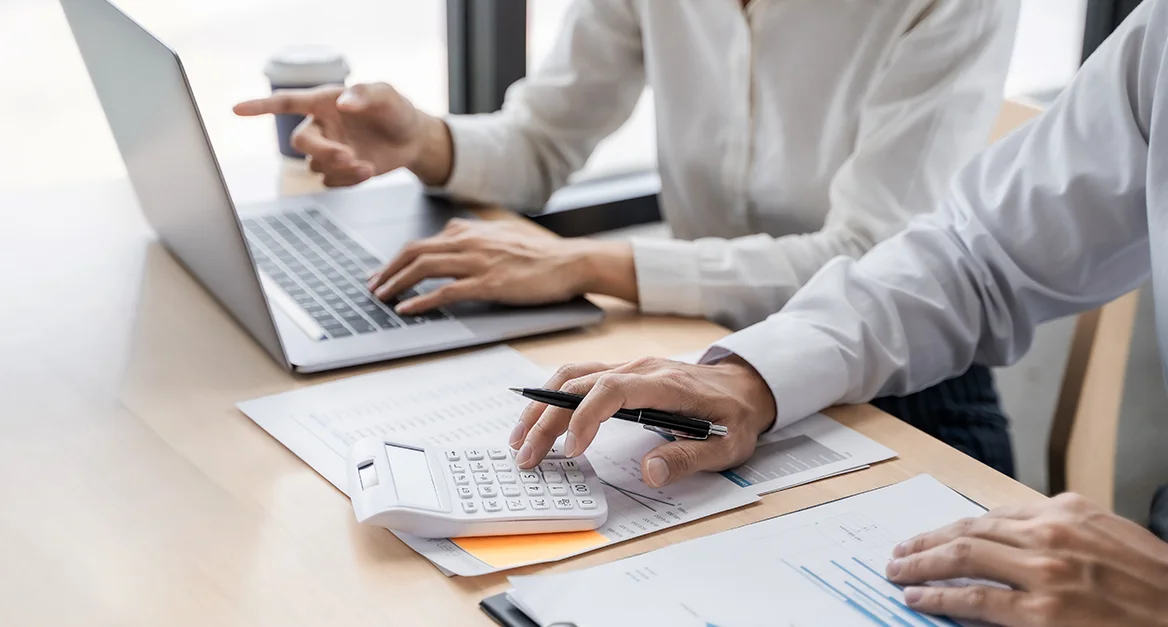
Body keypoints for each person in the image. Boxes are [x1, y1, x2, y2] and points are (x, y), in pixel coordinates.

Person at [502, 1, 1168, 624]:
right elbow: (974, 257)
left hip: (924, 400)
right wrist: (752, 376)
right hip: (805, 356)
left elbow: (871, 242)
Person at [235, 1, 1020, 473]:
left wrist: (585, 262)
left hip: (906, 394)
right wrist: (423, 139)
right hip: (705, 360)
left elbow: (869, 258)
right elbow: (542, 139)